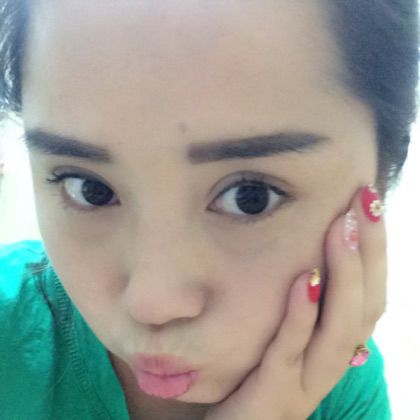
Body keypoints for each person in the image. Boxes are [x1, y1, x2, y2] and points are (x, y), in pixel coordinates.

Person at [0, 0, 418, 419]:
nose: (153, 304)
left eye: (250, 197)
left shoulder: (341, 382)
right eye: (90, 190)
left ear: (380, 176)